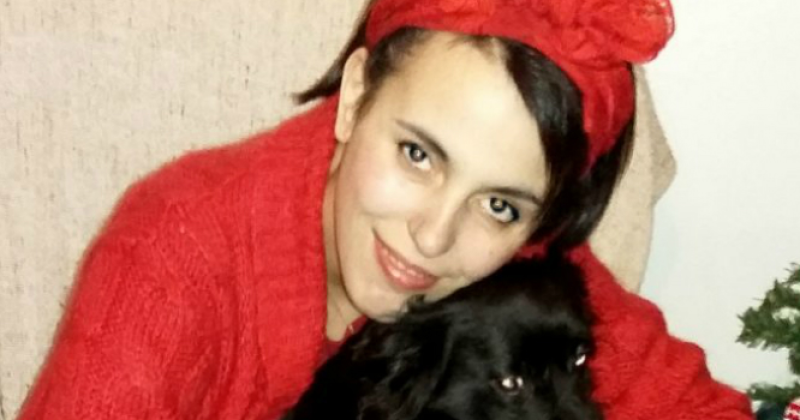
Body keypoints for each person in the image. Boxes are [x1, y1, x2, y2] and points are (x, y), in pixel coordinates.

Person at [17, 0, 752, 419]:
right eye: (417, 154)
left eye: (499, 203)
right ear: (355, 97)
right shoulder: (173, 251)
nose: (433, 237)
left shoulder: (523, 263)